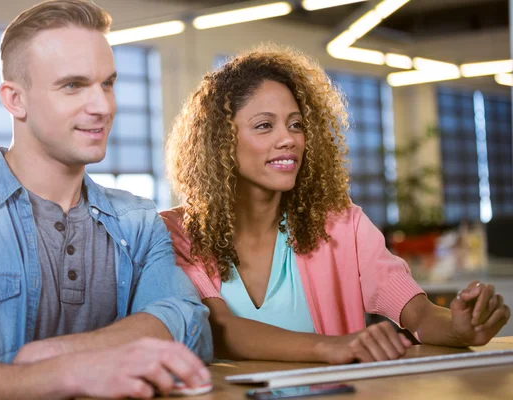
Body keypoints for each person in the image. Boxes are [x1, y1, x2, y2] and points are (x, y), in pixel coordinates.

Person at [0, 1, 212, 399]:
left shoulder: (138, 220)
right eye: (73, 85)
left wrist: (54, 352)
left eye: (107, 83)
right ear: (14, 100)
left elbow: (187, 323)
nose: (103, 106)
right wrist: (71, 372)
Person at [160, 44, 510, 365]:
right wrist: (333, 346)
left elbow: (417, 313)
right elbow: (218, 330)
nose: (288, 139)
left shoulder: (342, 226)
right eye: (264, 126)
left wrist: (459, 328)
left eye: (296, 125)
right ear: (221, 142)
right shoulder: (174, 236)